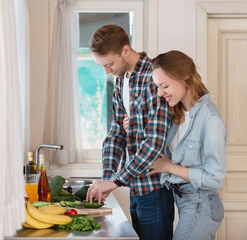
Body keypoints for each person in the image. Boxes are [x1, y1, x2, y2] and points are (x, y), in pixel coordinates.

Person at [86, 25, 174, 240]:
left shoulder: (154, 77)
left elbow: (154, 143)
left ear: (126, 50)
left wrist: (116, 181)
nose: (106, 71)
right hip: (136, 186)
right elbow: (115, 134)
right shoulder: (121, 80)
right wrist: (107, 179)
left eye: (109, 64)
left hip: (155, 189)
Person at [143, 50, 227, 239]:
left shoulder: (210, 119)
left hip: (202, 204)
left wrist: (169, 167)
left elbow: (215, 178)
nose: (160, 93)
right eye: (157, 86)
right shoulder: (178, 113)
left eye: (164, 86)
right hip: (185, 202)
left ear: (184, 79)